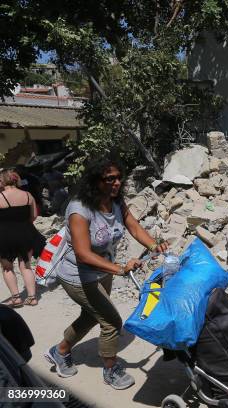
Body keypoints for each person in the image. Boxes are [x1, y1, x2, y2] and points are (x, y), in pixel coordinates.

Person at [43, 157, 168, 390]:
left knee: (92, 315)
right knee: (111, 321)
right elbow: (83, 254)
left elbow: (134, 226)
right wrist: (120, 268)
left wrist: (154, 245)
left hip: (103, 270)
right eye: (110, 179)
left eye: (119, 177)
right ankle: (111, 370)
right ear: (95, 181)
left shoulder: (116, 202)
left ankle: (59, 351)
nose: (117, 183)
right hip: (77, 275)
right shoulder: (80, 209)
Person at [0, 169, 45, 307]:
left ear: (3, 180)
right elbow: (34, 216)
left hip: (4, 235)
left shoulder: (0, 196)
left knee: (7, 268)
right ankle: (32, 297)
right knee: (26, 266)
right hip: (26, 233)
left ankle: (16, 298)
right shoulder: (28, 195)